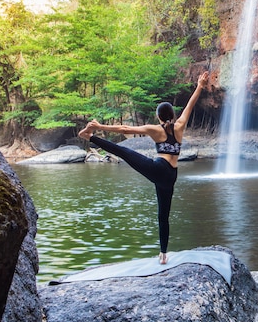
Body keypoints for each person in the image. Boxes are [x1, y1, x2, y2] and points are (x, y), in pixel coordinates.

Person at [78, 71, 209, 264]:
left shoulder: (155, 130)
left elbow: (125, 129)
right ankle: (164, 254)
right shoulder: (180, 126)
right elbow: (190, 105)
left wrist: (100, 126)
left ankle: (90, 138)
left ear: (158, 116)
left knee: (124, 153)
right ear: (172, 115)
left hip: (159, 170)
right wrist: (199, 85)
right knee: (163, 215)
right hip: (171, 176)